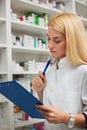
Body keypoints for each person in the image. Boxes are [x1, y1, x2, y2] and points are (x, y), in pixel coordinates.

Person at [32, 12, 87, 130]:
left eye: (57, 41)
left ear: (72, 41)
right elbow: (49, 110)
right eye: (48, 39)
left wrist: (66, 118)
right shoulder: (51, 71)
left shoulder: (83, 71)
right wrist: (40, 91)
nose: (50, 45)